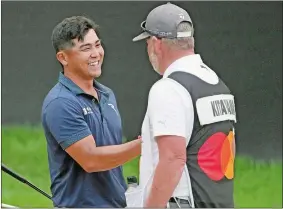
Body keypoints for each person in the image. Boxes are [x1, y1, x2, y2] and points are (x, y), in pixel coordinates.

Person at [132, 2, 237, 208]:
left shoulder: (168, 88)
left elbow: (173, 160)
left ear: (156, 43)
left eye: (147, 43)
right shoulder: (216, 84)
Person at [41, 16, 141, 208]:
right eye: (86, 49)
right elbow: (91, 160)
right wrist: (144, 144)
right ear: (63, 58)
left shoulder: (107, 95)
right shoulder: (60, 103)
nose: (96, 54)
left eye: (97, 45)